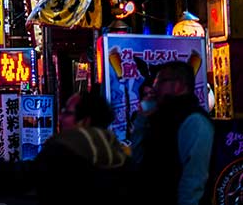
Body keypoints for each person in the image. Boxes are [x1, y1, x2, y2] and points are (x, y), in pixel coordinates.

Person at [25, 91, 130, 205]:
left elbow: (27, 176)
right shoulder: (119, 155)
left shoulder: (61, 154)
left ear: (85, 121)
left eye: (67, 112)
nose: (60, 117)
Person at [134, 61, 213, 205]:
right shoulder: (160, 117)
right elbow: (139, 158)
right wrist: (142, 118)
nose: (155, 88)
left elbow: (193, 180)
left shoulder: (194, 121)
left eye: (160, 82)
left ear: (179, 86)